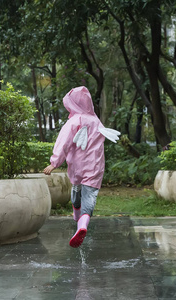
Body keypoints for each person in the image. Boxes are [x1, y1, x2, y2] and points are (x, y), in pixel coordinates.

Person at [43, 86, 120, 248]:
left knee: (76, 190)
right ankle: (82, 224)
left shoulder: (74, 121)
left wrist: (54, 162)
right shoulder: (96, 121)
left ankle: (76, 217)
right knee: (89, 197)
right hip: (95, 167)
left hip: (77, 167)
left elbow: (63, 142)